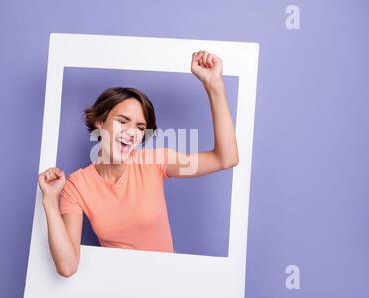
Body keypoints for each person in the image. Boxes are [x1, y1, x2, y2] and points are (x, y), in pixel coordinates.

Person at [37, 50, 239, 277]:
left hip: (165, 285)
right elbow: (67, 266)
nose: (131, 133)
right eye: (122, 121)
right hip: (118, 290)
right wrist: (49, 201)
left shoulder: (154, 161)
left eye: (140, 128)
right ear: (100, 123)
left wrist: (214, 86)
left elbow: (226, 158)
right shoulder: (76, 186)